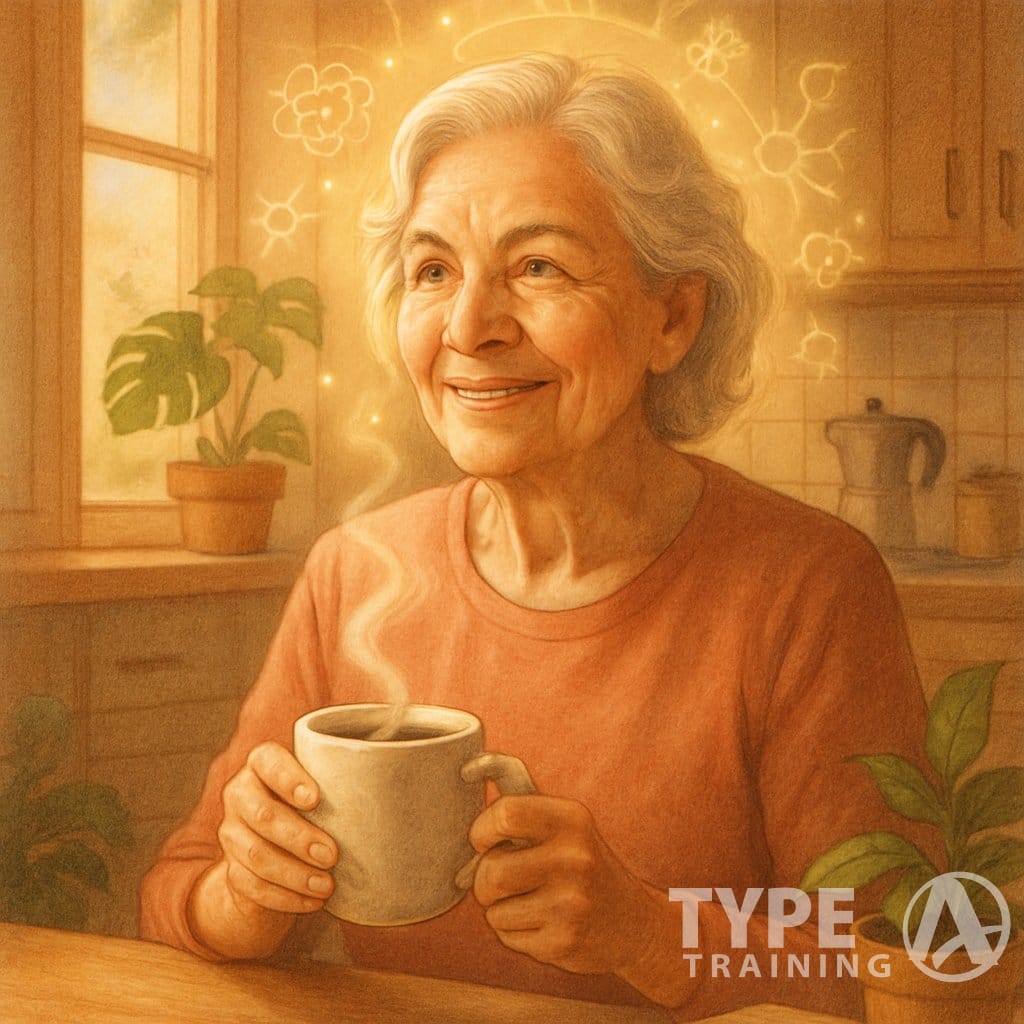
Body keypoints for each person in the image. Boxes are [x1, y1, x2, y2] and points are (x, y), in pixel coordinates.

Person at [140, 53, 927, 1020]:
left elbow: (911, 964)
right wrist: (245, 894)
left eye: (538, 267)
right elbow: (179, 895)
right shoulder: (356, 569)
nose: (469, 325)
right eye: (433, 270)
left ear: (672, 316)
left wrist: (650, 933)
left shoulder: (808, 585)